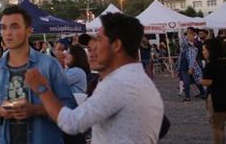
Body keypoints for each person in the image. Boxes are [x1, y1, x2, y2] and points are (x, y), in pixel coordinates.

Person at [25, 13, 164, 143]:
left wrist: (41, 88)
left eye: (99, 39)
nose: (91, 47)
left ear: (116, 45)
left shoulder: (119, 84)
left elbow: (71, 123)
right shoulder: (136, 79)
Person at [0, 5, 77, 144]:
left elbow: (70, 107)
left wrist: (36, 110)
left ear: (28, 31)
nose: (8, 33)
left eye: (14, 27)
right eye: (3, 27)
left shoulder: (49, 65)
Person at [200, 38, 226, 144]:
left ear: (211, 50)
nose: (203, 52)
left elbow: (208, 81)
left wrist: (200, 81)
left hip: (217, 100)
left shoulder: (211, 65)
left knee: (217, 127)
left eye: (204, 49)